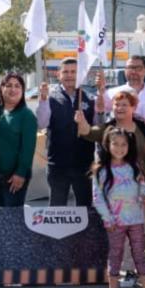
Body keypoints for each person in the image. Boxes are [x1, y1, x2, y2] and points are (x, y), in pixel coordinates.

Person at [77, 88, 145, 288]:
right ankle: (129, 270)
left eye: (124, 104)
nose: (120, 108)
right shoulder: (109, 128)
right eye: (116, 104)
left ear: (133, 107)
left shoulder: (144, 127)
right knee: (128, 230)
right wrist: (81, 121)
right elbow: (87, 133)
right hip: (120, 191)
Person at [93, 127, 145, 288]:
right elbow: (97, 198)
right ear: (107, 145)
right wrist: (108, 219)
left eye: (124, 144)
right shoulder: (101, 171)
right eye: (115, 144)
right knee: (115, 256)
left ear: (129, 146)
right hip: (115, 223)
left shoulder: (134, 168)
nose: (119, 148)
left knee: (139, 256)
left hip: (136, 220)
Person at [34, 56, 98, 208]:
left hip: (84, 165)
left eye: (74, 72)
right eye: (66, 72)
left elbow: (98, 127)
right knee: (57, 209)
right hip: (57, 165)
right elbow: (42, 123)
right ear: (59, 75)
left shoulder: (90, 98)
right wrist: (42, 101)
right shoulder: (50, 98)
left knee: (85, 210)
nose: (70, 75)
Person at [0, 59, 37, 209]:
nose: (13, 89)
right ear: (1, 88)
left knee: (11, 222)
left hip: (13, 177)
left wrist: (21, 173)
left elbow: (27, 149)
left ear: (23, 91)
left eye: (17, 86)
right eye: (8, 85)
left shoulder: (27, 115)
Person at [96, 55, 145, 137]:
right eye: (130, 67)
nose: (133, 71)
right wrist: (100, 92)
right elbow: (98, 117)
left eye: (138, 68)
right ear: (125, 70)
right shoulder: (111, 94)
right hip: (119, 147)